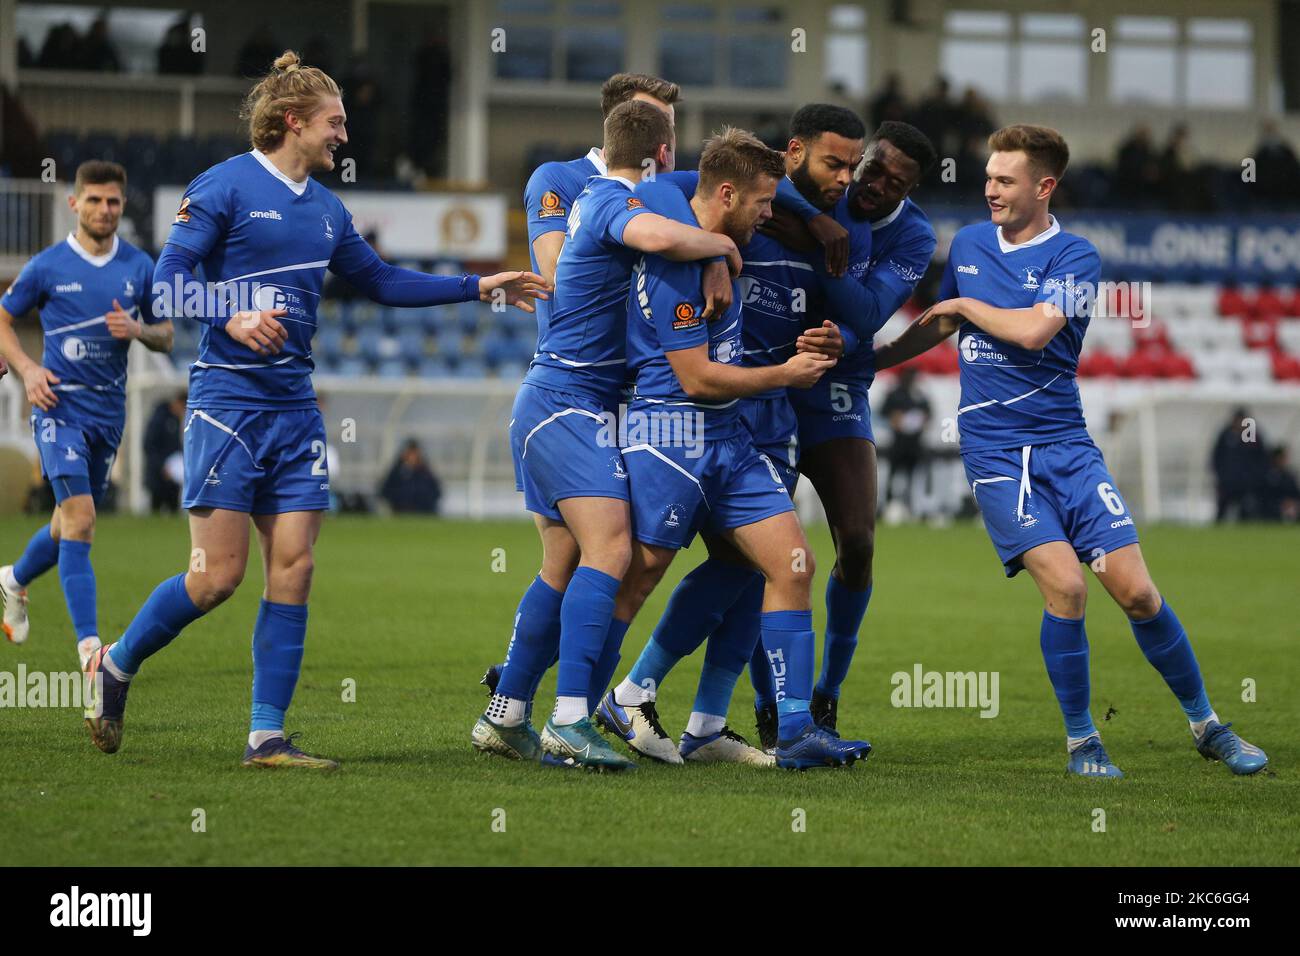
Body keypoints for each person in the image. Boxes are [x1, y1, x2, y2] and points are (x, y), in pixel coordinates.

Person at [83, 50, 546, 769]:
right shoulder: (224, 186)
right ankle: (115, 664)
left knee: (294, 569)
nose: (344, 137)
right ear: (292, 121)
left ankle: (266, 735)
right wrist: (233, 312)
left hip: (294, 410)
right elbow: (163, 291)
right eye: (335, 123)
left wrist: (480, 286)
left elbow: (383, 282)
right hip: (227, 405)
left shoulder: (328, 210)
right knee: (215, 578)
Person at [873, 123, 1268, 777]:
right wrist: (876, 358)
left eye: (1005, 180)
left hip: (1067, 446)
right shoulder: (970, 242)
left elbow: (1033, 332)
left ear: (1043, 186)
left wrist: (967, 305)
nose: (989, 189)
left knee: (1139, 595)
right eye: (989, 177)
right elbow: (943, 319)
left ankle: (1209, 726)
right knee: (1068, 588)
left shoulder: (1076, 256)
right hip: (997, 453)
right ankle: (1084, 740)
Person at [596, 104, 886, 761]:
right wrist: (723, 249)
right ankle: (585, 704)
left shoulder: (843, 235)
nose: (846, 178)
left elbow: (864, 317)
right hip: (689, 423)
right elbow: (663, 189)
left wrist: (833, 333)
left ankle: (724, 724)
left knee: (760, 570)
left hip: (766, 425)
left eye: (853, 166)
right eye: (832, 163)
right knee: (648, 569)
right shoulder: (713, 216)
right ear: (793, 156)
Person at [471, 97, 743, 771]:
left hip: (554, 403)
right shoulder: (608, 200)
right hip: (569, 404)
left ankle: (505, 713)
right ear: (662, 153)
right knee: (613, 547)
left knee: (562, 565)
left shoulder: (609, 195)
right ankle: (569, 720)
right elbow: (655, 237)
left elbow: (692, 204)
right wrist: (721, 244)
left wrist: (706, 242)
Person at [0, 161, 170, 664]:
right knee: (81, 521)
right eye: (93, 200)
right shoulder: (49, 265)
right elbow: (4, 319)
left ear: (121, 205)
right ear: (74, 204)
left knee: (65, 522)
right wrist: (29, 370)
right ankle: (92, 652)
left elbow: (166, 336)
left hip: (107, 414)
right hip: (58, 407)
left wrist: (138, 331)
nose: (104, 209)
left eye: (113, 201)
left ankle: (12, 578)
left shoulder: (140, 266)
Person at [880, 365, 931, 517]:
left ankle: (910, 506)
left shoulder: (919, 394)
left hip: (914, 443)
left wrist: (923, 420)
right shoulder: (895, 394)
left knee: (912, 477)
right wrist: (894, 418)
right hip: (898, 443)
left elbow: (928, 413)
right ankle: (889, 505)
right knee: (893, 475)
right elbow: (883, 411)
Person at [1210, 407, 1269, 522]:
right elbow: (1216, 457)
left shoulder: (1252, 436)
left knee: (1245, 513)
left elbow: (1261, 459)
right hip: (1227, 483)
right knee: (1222, 512)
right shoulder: (1226, 434)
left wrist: (1255, 479)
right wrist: (1221, 476)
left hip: (1246, 484)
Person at [143, 391, 187, 512]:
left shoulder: (176, 420)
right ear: (178, 403)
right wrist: (162, 466)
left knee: (173, 509)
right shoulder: (159, 418)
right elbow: (148, 445)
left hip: (172, 475)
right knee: (156, 509)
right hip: (158, 475)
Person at [380, 438, 442, 514]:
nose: (412, 457)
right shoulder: (396, 472)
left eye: (414, 453)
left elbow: (436, 492)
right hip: (400, 513)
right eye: (410, 453)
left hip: (423, 513)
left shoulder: (426, 472)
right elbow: (384, 491)